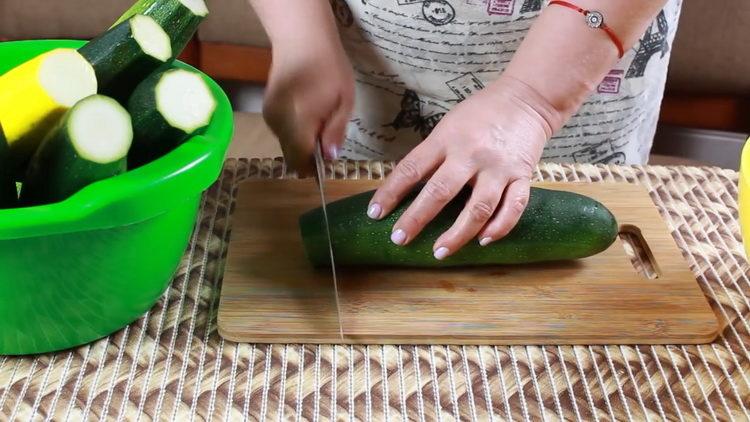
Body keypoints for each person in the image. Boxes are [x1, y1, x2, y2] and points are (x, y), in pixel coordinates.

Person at [249, 0, 679, 260]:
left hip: (577, 89)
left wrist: (533, 100)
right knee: (366, 199)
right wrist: (300, 34)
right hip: (370, 77)